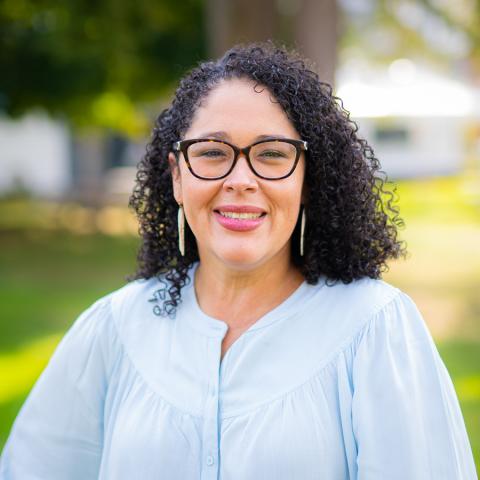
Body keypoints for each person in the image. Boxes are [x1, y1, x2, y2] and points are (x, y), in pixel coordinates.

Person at [0, 42, 477, 480]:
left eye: (271, 154)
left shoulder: (373, 328)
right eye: (212, 152)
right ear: (177, 178)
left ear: (308, 179)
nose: (241, 179)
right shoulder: (115, 327)